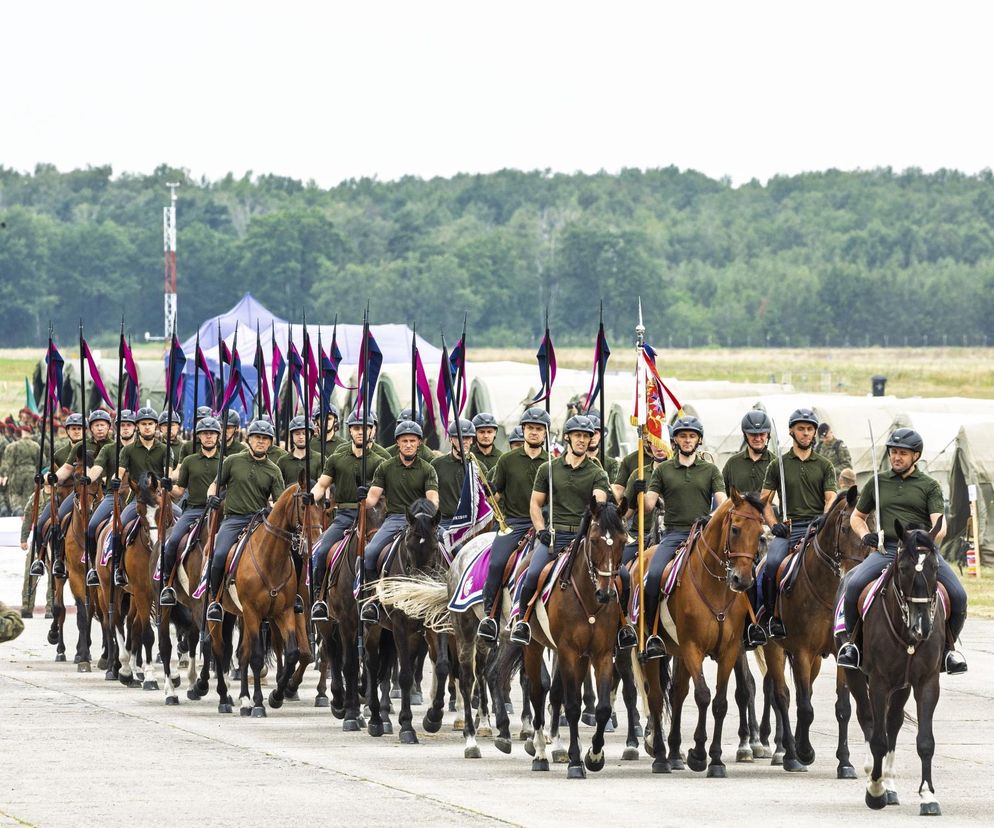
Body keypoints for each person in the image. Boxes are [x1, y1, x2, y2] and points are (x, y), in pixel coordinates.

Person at [837, 428, 968, 674]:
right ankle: (852, 646)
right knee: (853, 585)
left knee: (959, 595)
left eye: (903, 453)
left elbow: (940, 524)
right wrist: (866, 535)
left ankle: (949, 651)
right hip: (888, 550)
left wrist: (926, 543)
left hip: (922, 552)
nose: (897, 457)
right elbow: (857, 516)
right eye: (894, 452)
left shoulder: (929, 485)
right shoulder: (878, 483)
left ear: (915, 456)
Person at [509, 415, 611, 646]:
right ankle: (523, 621)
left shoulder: (598, 473)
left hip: (585, 538)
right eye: (578, 435)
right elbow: (535, 504)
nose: (582, 440)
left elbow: (600, 502)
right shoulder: (549, 469)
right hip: (555, 536)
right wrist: (540, 529)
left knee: (621, 575)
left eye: (586, 436)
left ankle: (623, 627)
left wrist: (598, 506)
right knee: (531, 574)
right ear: (567, 437)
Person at [634, 416, 726, 658]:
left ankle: (744, 628)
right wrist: (640, 494)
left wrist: (714, 520)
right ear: (674, 439)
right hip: (674, 534)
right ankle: (651, 633)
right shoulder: (664, 469)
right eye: (683, 436)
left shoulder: (711, 470)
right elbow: (649, 505)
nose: (687, 440)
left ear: (698, 439)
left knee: (736, 573)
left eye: (692, 436)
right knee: (653, 575)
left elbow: (722, 503)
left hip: (703, 534)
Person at [760, 408, 837, 638]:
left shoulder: (825, 465)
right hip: (789, 529)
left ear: (815, 433)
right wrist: (774, 525)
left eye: (810, 429)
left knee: (842, 566)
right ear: (791, 431)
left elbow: (831, 497)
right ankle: (772, 617)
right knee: (771, 564)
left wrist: (824, 518)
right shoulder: (778, 465)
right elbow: (764, 501)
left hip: (817, 529)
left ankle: (841, 618)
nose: (805, 433)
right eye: (801, 429)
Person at [477, 408, 549, 642]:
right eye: (531, 428)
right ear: (524, 430)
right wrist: (487, 492)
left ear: (545, 433)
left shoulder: (551, 463)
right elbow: (493, 496)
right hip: (514, 523)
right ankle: (490, 617)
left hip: (544, 525)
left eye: (539, 429)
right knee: (497, 563)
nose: (535, 432)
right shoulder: (506, 460)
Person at [307, 409, 388, 620]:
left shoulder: (380, 461)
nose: (361, 432)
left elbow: (385, 493)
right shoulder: (336, 458)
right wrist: (311, 496)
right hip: (343, 514)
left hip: (372, 516)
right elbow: (323, 484)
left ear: (372, 431)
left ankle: (379, 600)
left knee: (382, 553)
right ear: (349, 430)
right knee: (322, 549)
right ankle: (320, 599)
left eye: (365, 428)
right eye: (356, 428)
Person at [205, 419, 286, 622]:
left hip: (260, 521)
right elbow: (215, 485)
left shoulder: (274, 470)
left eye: (265, 439)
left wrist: (272, 510)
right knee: (220, 554)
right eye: (257, 437)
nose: (261, 442)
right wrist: (212, 497)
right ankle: (215, 599)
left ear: (270, 443)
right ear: (248, 439)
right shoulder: (232, 461)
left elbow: (279, 503)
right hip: (233, 520)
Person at [359, 420, 439, 623]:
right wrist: (363, 498)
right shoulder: (385, 467)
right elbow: (372, 499)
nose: (409, 444)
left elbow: (433, 500)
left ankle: (446, 595)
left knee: (448, 551)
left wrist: (426, 516)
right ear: (398, 443)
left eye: (413, 440)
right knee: (369, 553)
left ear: (419, 443)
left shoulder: (428, 468)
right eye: (405, 441)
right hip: (395, 519)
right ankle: (372, 602)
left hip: (421, 521)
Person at [159, 416, 222, 607]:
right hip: (194, 510)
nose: (208, 437)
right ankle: (167, 583)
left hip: (220, 511)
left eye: (212, 434)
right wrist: (168, 487)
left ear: (218, 437)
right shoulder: (189, 461)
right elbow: (179, 491)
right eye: (205, 434)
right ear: (199, 437)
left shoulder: (226, 461)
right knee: (172, 542)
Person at [113, 407, 178, 586]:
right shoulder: (128, 451)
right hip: (138, 500)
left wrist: (167, 481)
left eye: (150, 424)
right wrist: (115, 481)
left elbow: (169, 472)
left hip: (160, 499)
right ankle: (118, 568)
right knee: (118, 528)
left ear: (156, 426)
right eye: (143, 424)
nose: (147, 427)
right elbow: (119, 473)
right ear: (137, 427)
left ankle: (175, 570)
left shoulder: (166, 449)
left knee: (180, 523)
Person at [432, 419, 475, 529]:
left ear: (471, 440)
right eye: (459, 437)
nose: (463, 441)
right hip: (444, 522)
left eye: (467, 438)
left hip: (470, 521)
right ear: (451, 439)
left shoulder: (477, 466)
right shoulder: (437, 464)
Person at [722, 410, 775, 496]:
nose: (758, 439)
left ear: (768, 435)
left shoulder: (776, 463)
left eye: (762, 434)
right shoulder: (732, 463)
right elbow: (722, 495)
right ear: (745, 435)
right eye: (753, 434)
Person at [0, 426, 40, 517]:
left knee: (15, 494)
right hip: (31, 472)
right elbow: (41, 462)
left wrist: (4, 475)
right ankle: (27, 514)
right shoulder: (36, 446)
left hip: (17, 473)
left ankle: (18, 511)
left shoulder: (12, 446)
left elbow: (7, 463)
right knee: (29, 495)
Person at [276, 416, 322, 486]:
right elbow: (278, 487)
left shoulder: (320, 459)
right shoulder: (282, 461)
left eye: (304, 433)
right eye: (297, 434)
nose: (301, 437)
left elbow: (322, 486)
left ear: (310, 435)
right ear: (292, 436)